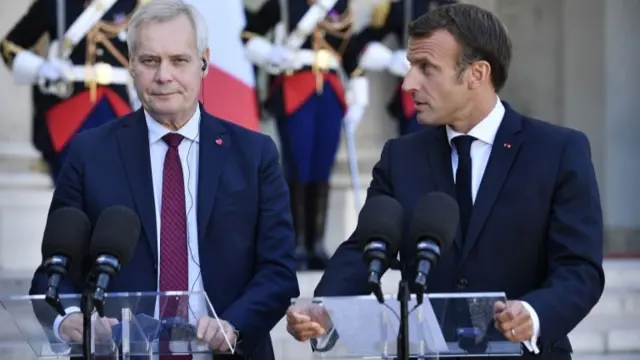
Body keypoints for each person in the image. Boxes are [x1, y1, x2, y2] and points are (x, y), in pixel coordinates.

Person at [285, 4, 604, 359]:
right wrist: (325, 307)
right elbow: (366, 248)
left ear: (476, 74)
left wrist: (534, 313)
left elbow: (579, 269)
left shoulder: (558, 151)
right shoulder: (400, 157)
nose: (408, 84)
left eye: (426, 69)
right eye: (410, 67)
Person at [28, 1, 300, 359]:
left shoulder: (254, 155)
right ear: (131, 65)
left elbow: (278, 271)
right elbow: (53, 271)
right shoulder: (89, 153)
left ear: (204, 62)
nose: (163, 76)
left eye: (179, 60)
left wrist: (233, 324)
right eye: (150, 61)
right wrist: (69, 319)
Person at [241, 0, 368, 271]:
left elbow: (350, 50)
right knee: (298, 165)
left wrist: (358, 85)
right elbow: (249, 34)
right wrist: (270, 53)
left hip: (330, 90)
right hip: (296, 86)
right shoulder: (284, 4)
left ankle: (316, 244)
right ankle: (295, 244)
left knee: (323, 166)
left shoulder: (338, 5)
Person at [1, 0, 144, 181]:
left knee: (116, 183)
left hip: (117, 108)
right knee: (71, 187)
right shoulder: (55, 4)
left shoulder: (133, 4)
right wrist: (40, 68)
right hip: (68, 111)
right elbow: (10, 45)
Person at [347, 0, 457, 136]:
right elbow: (356, 46)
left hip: (451, 97)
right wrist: (390, 59)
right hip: (416, 98)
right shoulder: (402, 8)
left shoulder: (458, 12)